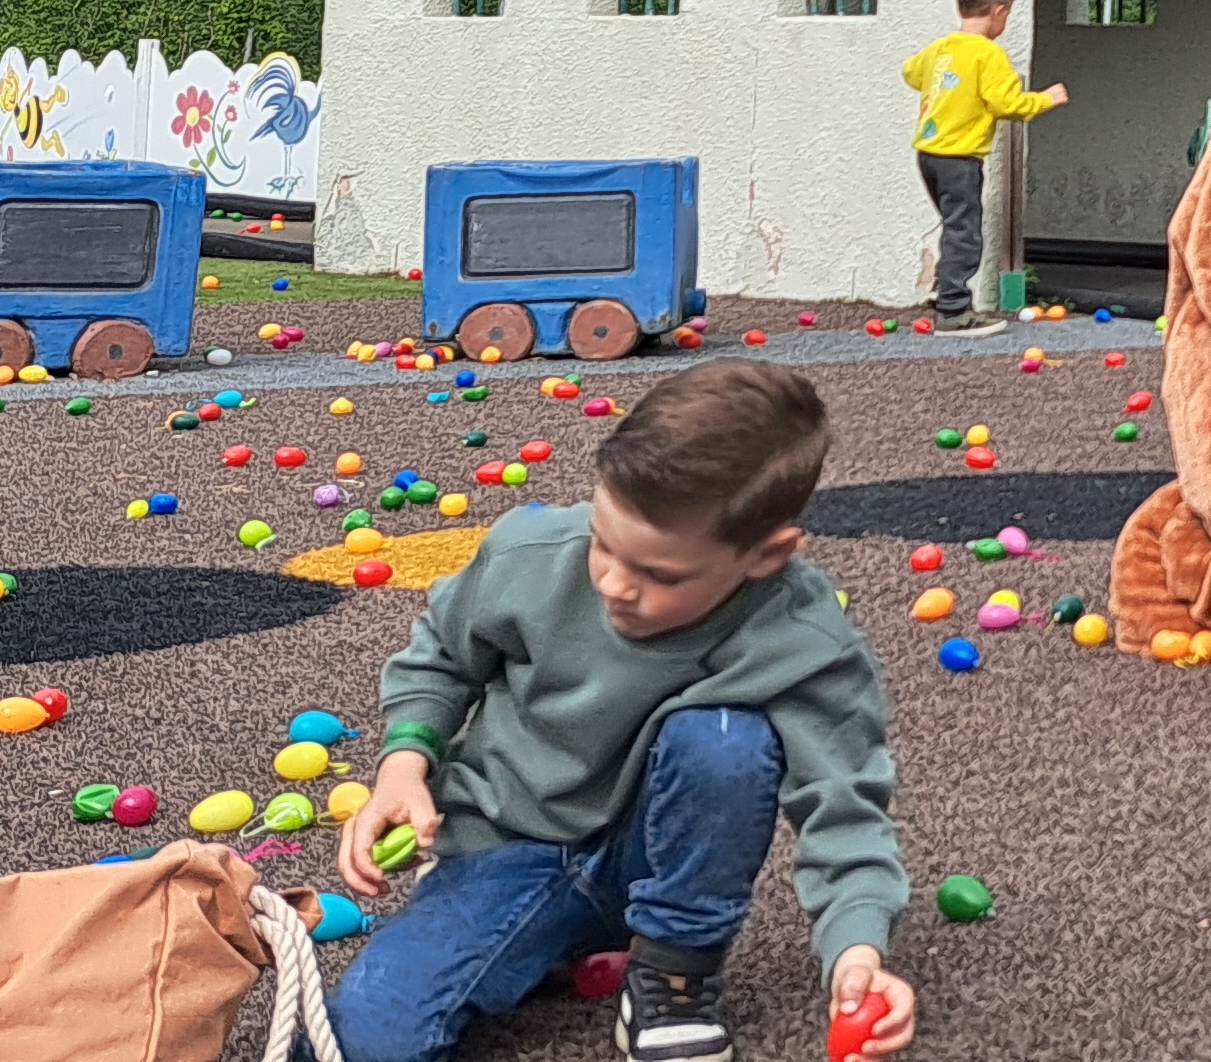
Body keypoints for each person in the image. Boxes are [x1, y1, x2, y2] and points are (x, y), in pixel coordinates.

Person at [333, 361, 912, 1062]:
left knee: (727, 738)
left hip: (655, 856)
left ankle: (672, 974)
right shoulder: (532, 550)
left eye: (659, 574)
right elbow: (441, 658)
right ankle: (534, 942)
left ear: (768, 555)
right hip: (503, 847)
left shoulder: (805, 637)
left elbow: (845, 805)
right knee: (362, 1041)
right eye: (605, 543)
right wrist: (404, 763)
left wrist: (858, 953)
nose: (613, 582)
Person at [901, 0, 1064, 335]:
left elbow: (910, 72)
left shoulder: (942, 48)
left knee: (954, 224)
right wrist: (1045, 99)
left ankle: (946, 291)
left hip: (928, 154)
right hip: (960, 157)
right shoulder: (988, 55)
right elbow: (1006, 104)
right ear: (999, 12)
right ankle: (954, 311)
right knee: (965, 232)